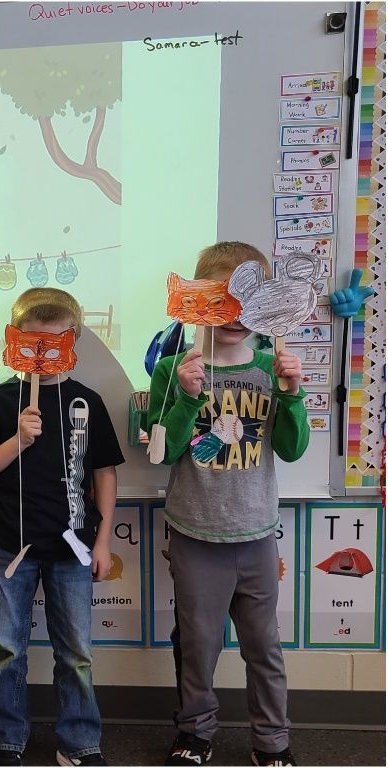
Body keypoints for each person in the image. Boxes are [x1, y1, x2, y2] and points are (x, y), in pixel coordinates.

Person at [146, 242, 309, 767]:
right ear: (200, 302)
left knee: (265, 648)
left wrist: (291, 394)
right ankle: (195, 733)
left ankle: (272, 741)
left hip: (256, 534)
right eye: (222, 301)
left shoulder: (269, 367)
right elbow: (162, 453)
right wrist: (188, 397)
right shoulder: (175, 367)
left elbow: (291, 448)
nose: (236, 316)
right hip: (196, 534)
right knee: (198, 646)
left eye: (248, 302)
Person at [0, 287, 124, 767]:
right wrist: (18, 438)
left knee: (75, 652)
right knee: (7, 648)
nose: (43, 354)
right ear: (15, 341)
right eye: (32, 343)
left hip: (73, 547)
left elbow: (105, 474)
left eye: (54, 343)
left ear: (72, 341)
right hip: (8, 543)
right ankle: (6, 738)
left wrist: (102, 540)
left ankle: (78, 741)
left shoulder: (87, 401)